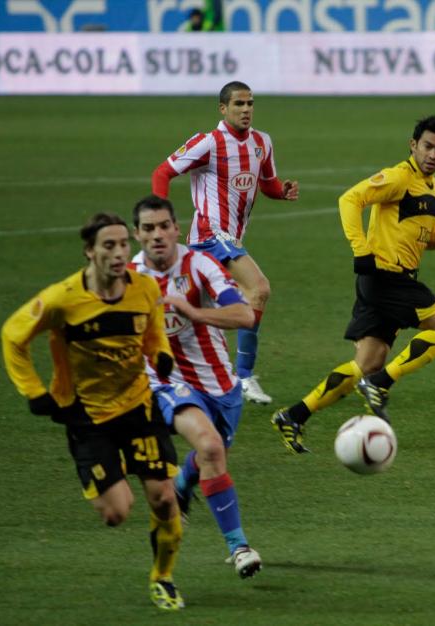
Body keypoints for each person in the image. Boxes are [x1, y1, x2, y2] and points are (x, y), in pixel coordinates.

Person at [1, 213, 186, 609]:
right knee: (117, 513)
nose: (120, 253)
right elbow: (12, 336)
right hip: (86, 415)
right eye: (109, 245)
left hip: (138, 405)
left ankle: (163, 578)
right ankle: (106, 473)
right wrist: (34, 391)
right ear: (89, 251)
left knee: (165, 499)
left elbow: (152, 330)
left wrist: (162, 355)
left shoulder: (145, 288)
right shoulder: (61, 299)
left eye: (122, 244)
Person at [271, 115, 435, 453]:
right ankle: (380, 385)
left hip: (390, 281)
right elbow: (350, 199)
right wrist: (360, 248)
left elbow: (420, 239)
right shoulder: (398, 177)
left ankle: (293, 416)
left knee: (364, 365)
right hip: (386, 278)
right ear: (413, 145)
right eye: (427, 147)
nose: (433, 154)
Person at [128, 195, 262, 578]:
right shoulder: (130, 279)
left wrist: (194, 312)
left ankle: (181, 487)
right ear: (137, 234)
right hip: (166, 380)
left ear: (175, 228)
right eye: (148, 229)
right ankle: (239, 547)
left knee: (213, 454)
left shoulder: (200, 264)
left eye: (163, 227)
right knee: (208, 446)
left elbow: (245, 314)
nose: (157, 235)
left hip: (220, 382)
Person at [151, 80, 299, 405]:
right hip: (209, 236)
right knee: (258, 289)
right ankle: (243, 377)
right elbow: (162, 173)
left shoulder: (262, 142)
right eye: (239, 105)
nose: (246, 110)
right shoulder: (208, 143)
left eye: (250, 104)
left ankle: (173, 375)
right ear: (223, 109)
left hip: (228, 240)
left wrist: (282, 192)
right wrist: (160, 221)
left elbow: (268, 183)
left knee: (191, 316)